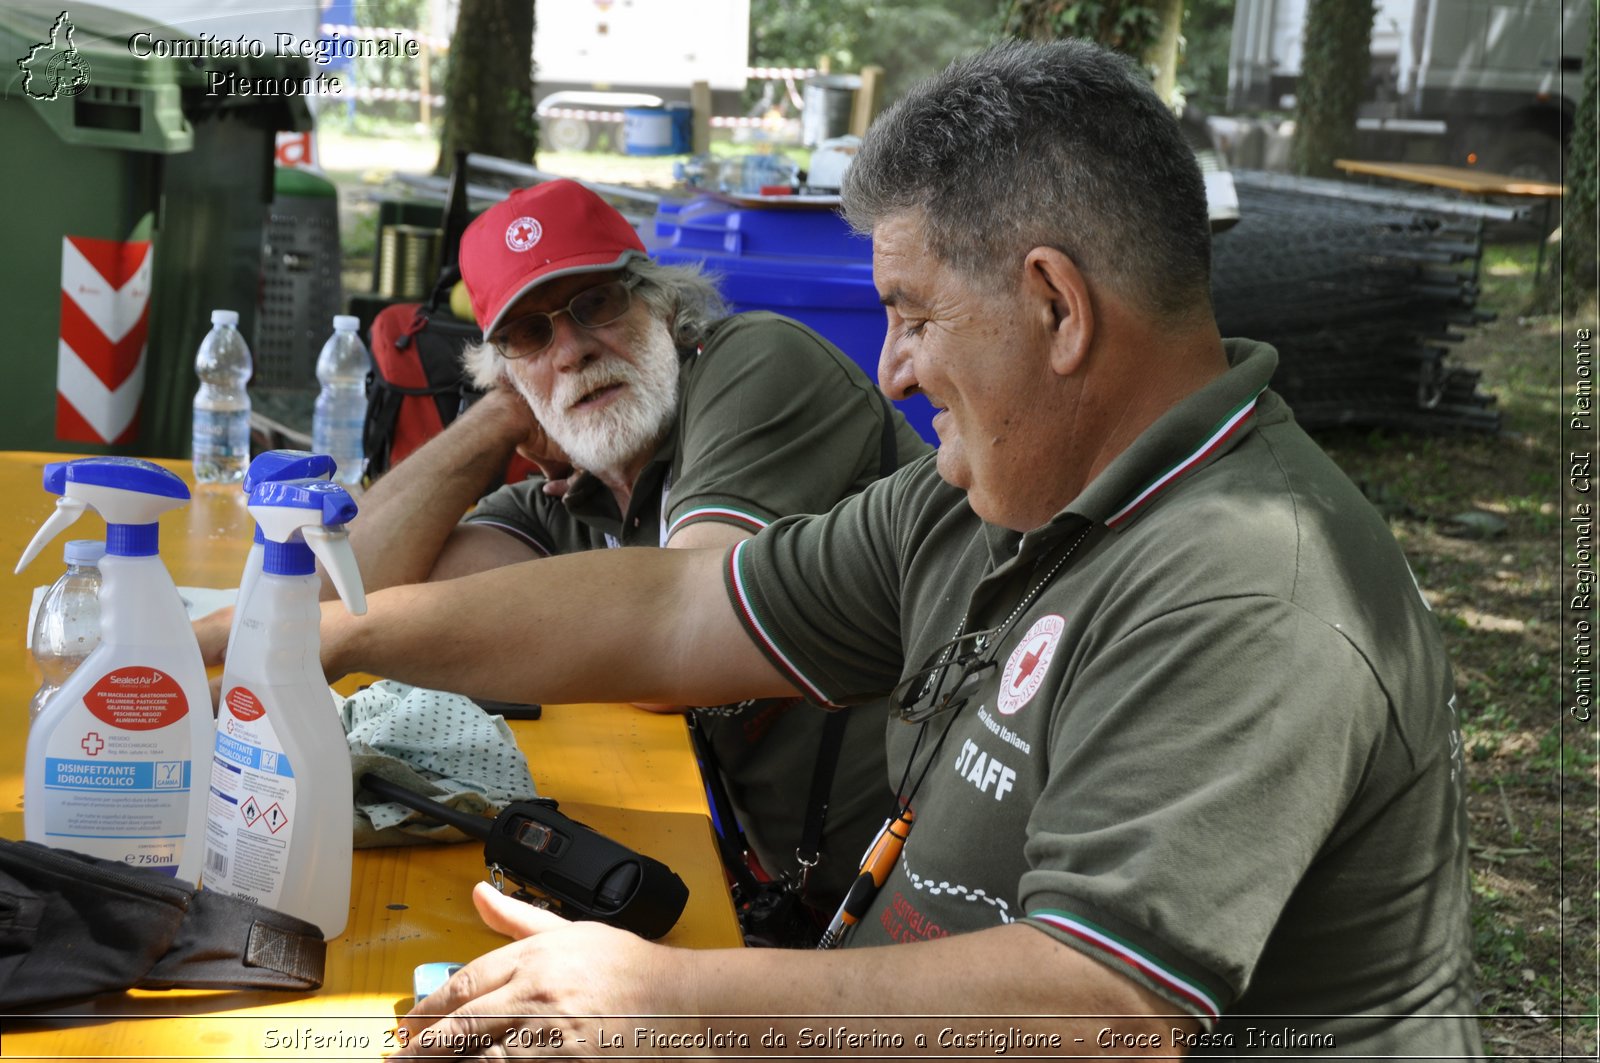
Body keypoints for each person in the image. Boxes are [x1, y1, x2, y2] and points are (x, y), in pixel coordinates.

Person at [333, 39, 1479, 1058]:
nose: (888, 370)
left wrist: (669, 1003)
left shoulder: (1251, 582)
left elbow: (1099, 1017)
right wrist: (324, 635)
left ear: (1056, 309)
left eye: (912, 316)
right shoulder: (983, 495)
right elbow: (674, 609)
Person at [309, 179, 928, 931]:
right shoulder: (577, 492)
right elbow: (338, 594)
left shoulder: (757, 366)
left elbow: (686, 640)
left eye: (596, 304)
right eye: (531, 336)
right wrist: (501, 416)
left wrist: (350, 637)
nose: (571, 350)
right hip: (791, 899)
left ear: (664, 305)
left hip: (932, 896)